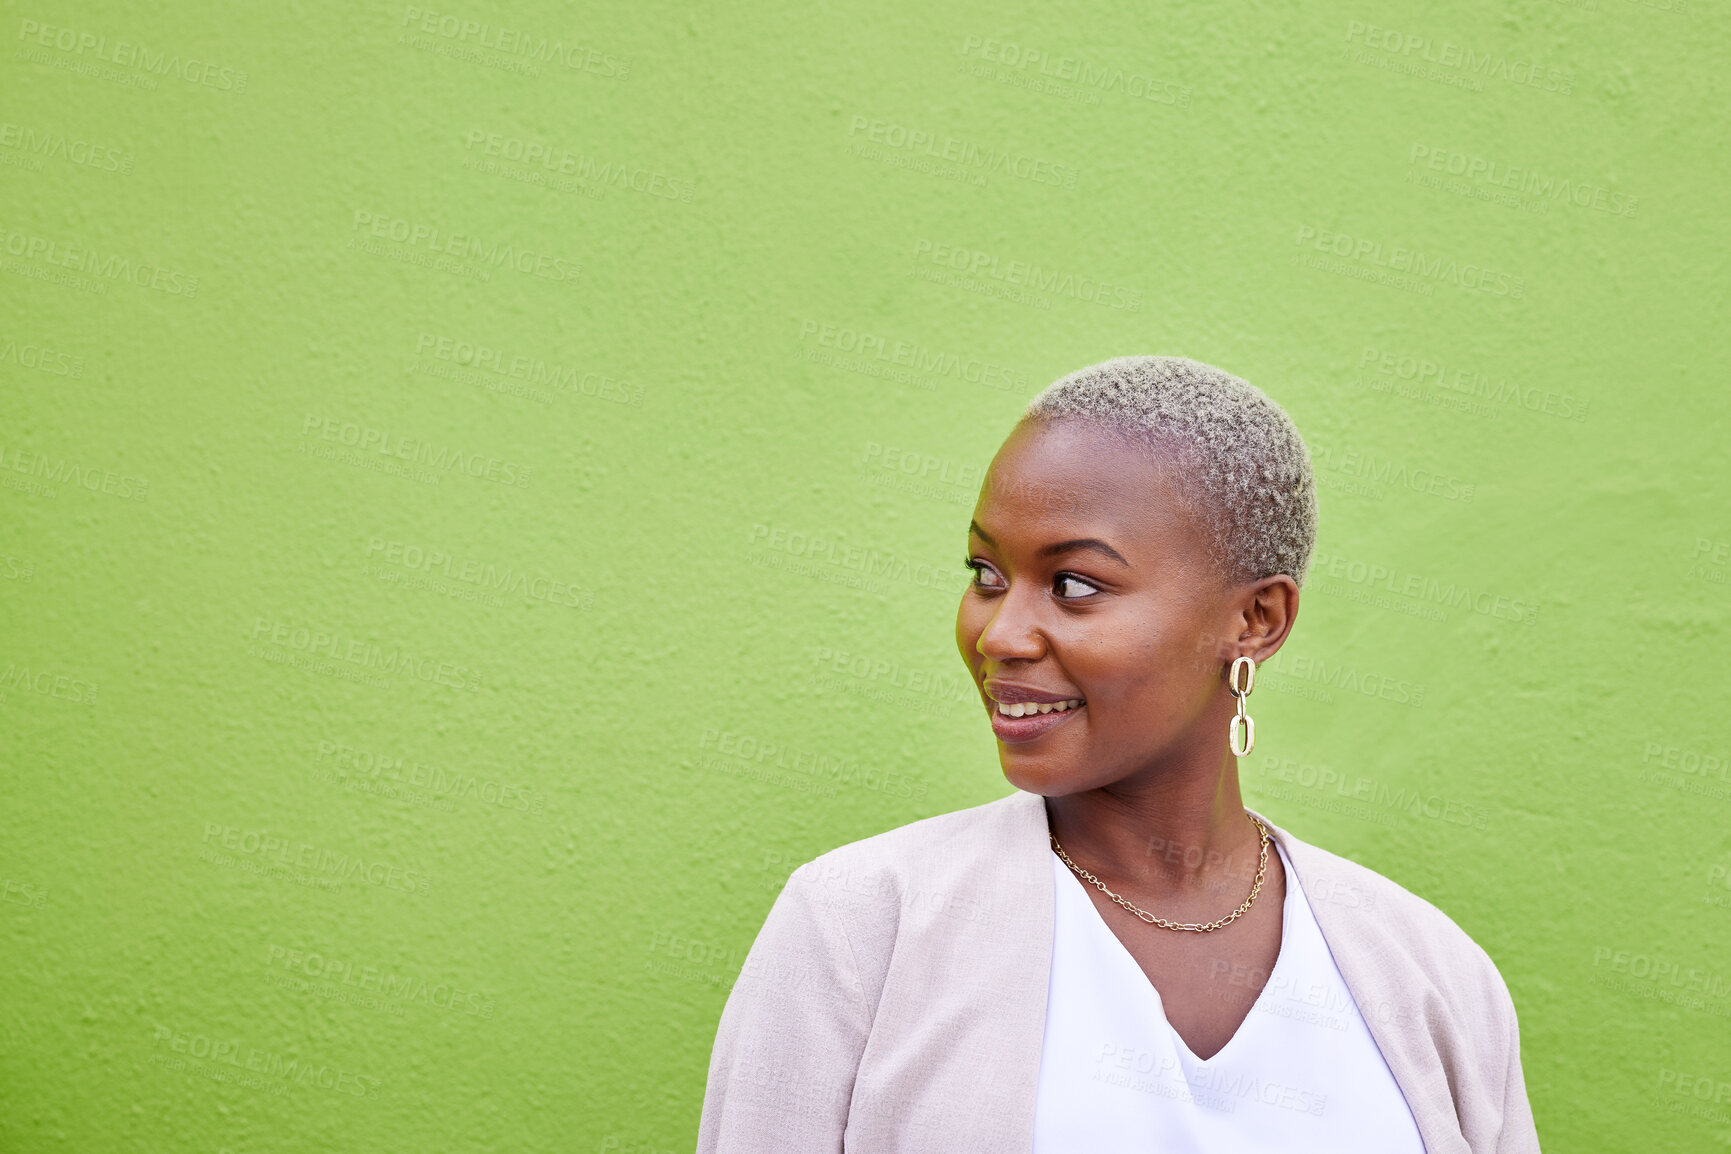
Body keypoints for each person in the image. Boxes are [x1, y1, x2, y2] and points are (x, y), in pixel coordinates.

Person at [696, 356, 1539, 1152]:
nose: (999, 632)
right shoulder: (862, 924)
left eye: (1072, 585)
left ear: (1256, 621)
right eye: (986, 573)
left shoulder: (1428, 973)